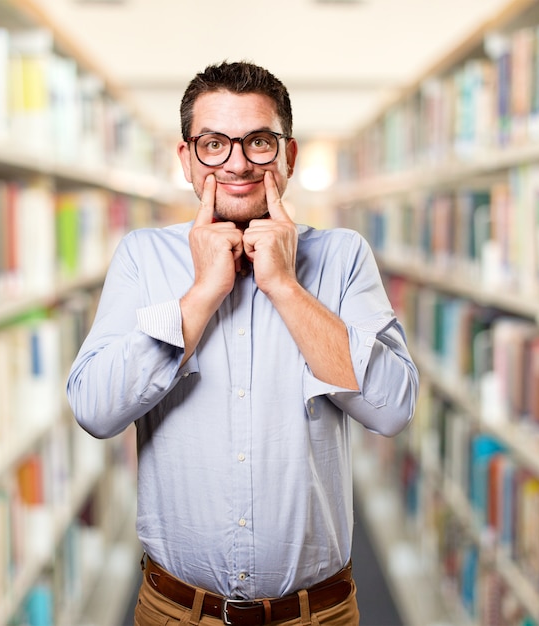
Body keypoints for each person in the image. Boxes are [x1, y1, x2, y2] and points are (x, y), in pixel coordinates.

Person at [67, 61, 418, 626]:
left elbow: (392, 409)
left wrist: (284, 284)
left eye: (258, 141)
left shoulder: (343, 257)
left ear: (288, 156)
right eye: (213, 144)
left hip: (316, 614)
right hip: (176, 613)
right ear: (186, 159)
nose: (236, 163)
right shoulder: (142, 257)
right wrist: (203, 292)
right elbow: (95, 410)